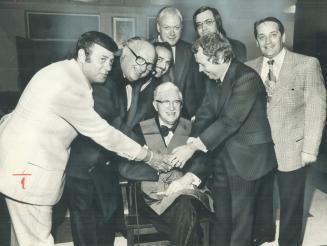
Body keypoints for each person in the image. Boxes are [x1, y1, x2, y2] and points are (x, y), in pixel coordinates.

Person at [0, 31, 170, 246]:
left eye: (110, 59)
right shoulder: (69, 86)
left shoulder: (62, 71)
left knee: (22, 239)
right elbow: (103, 132)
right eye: (102, 59)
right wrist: (148, 156)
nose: (108, 66)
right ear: (82, 55)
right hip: (29, 173)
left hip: (18, 166)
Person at [169, 32, 276, 246]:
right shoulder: (214, 79)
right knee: (221, 217)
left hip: (248, 161)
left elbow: (230, 121)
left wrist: (193, 148)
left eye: (202, 64)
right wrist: (187, 142)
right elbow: (205, 115)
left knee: (240, 221)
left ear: (218, 57)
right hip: (222, 156)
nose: (200, 69)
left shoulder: (246, 77)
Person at [247, 17, 326, 246]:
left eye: (273, 34)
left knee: (291, 202)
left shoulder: (306, 64)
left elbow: (316, 107)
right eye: (262, 36)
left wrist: (310, 148)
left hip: (292, 146)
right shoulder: (249, 67)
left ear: (283, 36)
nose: (268, 41)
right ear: (256, 40)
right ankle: (264, 234)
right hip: (258, 148)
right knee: (261, 197)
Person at [119, 82, 213, 246]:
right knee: (188, 221)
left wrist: (186, 179)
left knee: (185, 206)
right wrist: (155, 166)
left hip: (188, 194)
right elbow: (125, 167)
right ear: (155, 105)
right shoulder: (138, 130)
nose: (171, 107)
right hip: (151, 199)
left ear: (181, 104)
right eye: (165, 102)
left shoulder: (193, 129)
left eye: (176, 102)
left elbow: (205, 161)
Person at [155, 6, 203, 118]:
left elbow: (198, 89)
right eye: (167, 27)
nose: (172, 33)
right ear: (158, 27)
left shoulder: (191, 51)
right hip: (151, 120)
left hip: (185, 120)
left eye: (176, 27)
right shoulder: (147, 49)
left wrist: (195, 117)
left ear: (182, 27)